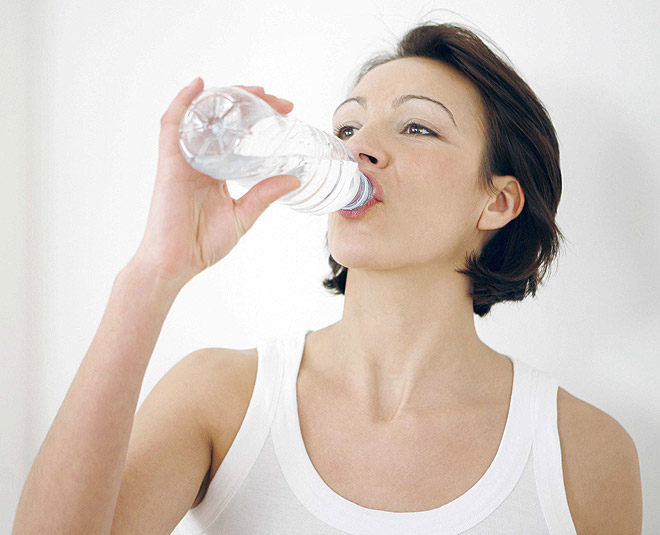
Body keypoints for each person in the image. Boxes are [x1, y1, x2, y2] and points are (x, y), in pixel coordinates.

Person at [13, 22, 642, 535]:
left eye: (417, 126)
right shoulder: (222, 400)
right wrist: (153, 272)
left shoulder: (581, 453)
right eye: (347, 127)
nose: (357, 146)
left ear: (498, 203)